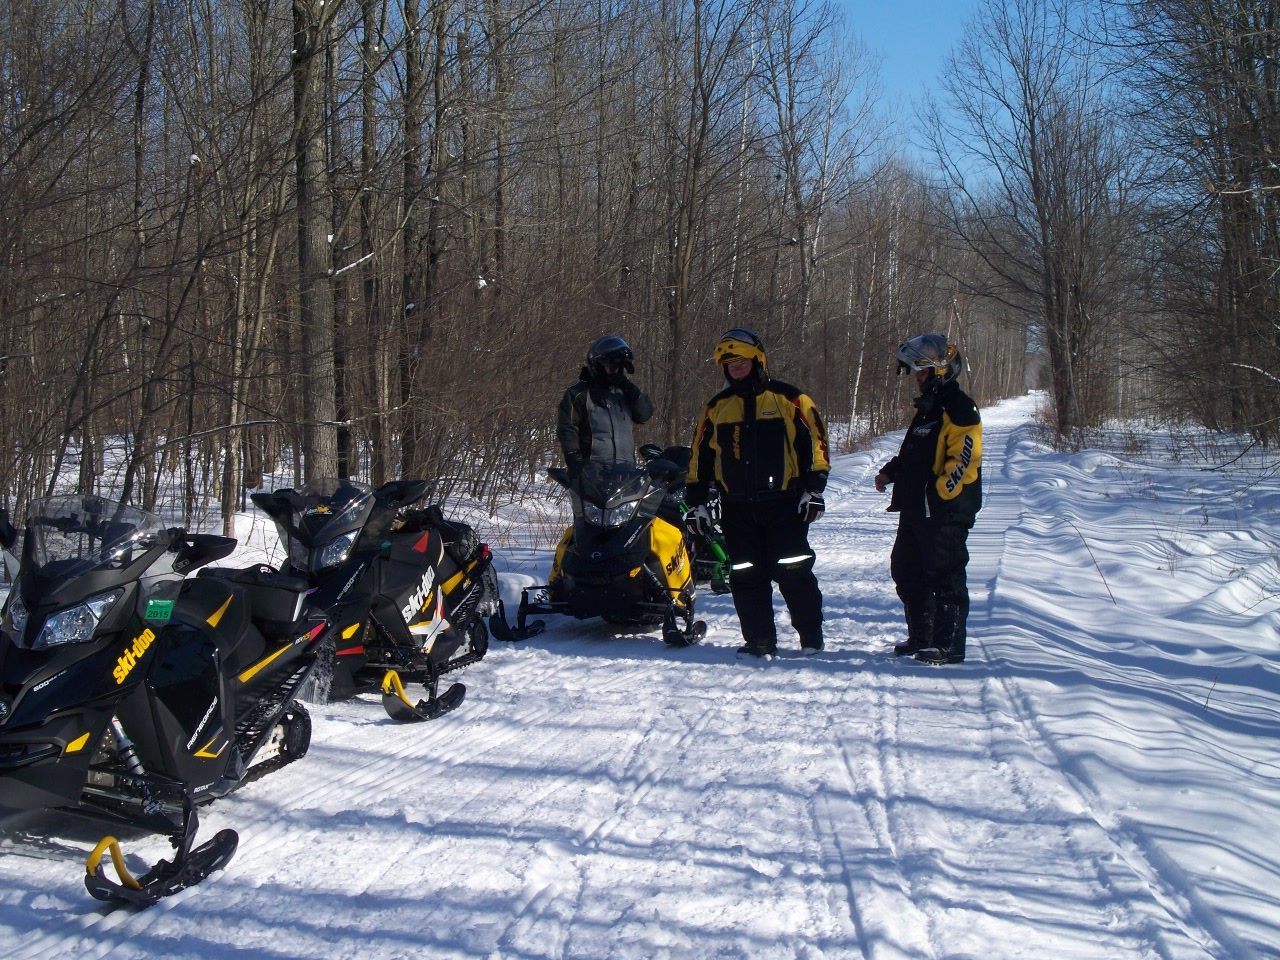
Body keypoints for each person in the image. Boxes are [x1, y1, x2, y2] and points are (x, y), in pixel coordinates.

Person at [684, 327, 830, 659]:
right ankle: (759, 640)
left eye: (741, 362)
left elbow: (817, 446)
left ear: (757, 360)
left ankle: (810, 637)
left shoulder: (790, 399)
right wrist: (696, 503)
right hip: (736, 508)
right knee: (746, 575)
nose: (735, 369)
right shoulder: (717, 407)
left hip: (784, 504)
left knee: (793, 571)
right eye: (729, 364)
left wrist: (814, 489)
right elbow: (699, 457)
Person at [874, 333, 982, 665]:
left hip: (945, 511)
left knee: (945, 574)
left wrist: (939, 495)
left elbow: (964, 460)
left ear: (942, 371)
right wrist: (892, 472)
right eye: (915, 373)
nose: (916, 379)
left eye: (921, 372)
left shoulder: (959, 408)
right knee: (906, 570)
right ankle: (922, 635)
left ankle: (948, 644)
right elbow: (914, 452)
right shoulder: (928, 409)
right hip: (916, 509)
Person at [557, 334, 654, 474]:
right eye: (611, 366)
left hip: (625, 472)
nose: (614, 371)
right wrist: (575, 460)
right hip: (594, 473)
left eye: (619, 367)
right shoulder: (579, 394)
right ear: (598, 366)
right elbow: (567, 429)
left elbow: (644, 415)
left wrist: (631, 390)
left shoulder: (623, 393)